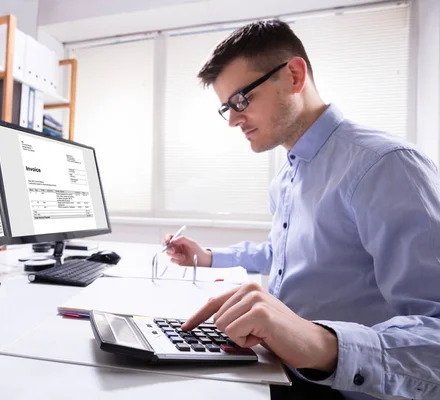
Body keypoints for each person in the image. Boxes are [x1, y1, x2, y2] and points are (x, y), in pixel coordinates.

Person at [163, 19, 440, 400]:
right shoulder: (288, 174)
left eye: (241, 100)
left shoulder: (385, 166)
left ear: (293, 75)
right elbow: (284, 254)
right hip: (282, 369)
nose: (232, 120)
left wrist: (323, 344)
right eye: (226, 107)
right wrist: (208, 257)